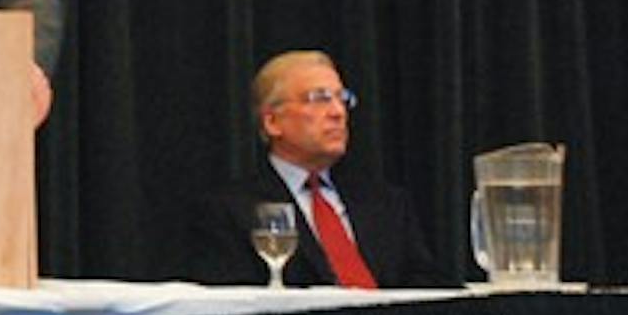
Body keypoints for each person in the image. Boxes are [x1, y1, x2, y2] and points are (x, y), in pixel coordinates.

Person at [187, 50, 452, 288]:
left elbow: (427, 287)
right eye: (319, 99)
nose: (338, 112)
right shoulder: (229, 211)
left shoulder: (387, 203)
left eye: (342, 98)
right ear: (272, 122)